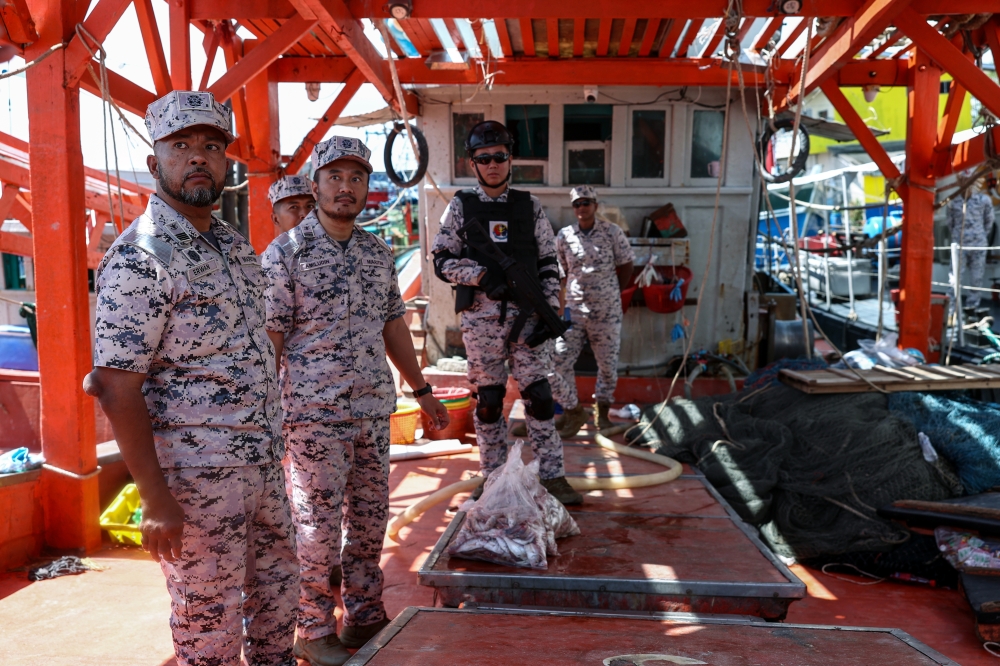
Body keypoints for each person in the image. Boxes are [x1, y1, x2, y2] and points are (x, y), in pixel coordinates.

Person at [84, 91, 298, 666]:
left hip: (262, 464)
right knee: (210, 624)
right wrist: (154, 497)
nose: (198, 157)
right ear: (155, 164)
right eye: (181, 146)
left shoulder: (233, 247)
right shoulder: (139, 259)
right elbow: (115, 384)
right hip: (196, 480)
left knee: (280, 602)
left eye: (210, 146)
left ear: (226, 163)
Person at [262, 136, 449, 666]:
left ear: (368, 187)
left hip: (371, 410)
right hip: (312, 416)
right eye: (335, 177)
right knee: (316, 529)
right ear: (316, 184)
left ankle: (363, 616)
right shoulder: (285, 254)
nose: (346, 188)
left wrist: (423, 390)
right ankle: (312, 626)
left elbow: (392, 324)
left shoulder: (376, 252)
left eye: (356, 178)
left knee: (369, 523)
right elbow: (269, 338)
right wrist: (264, 412)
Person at [431, 120, 582, 506]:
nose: (493, 164)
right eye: (484, 158)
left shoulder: (529, 206)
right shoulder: (461, 207)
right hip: (481, 319)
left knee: (540, 396)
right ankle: (494, 476)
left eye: (499, 156)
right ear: (473, 164)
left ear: (510, 158)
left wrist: (549, 303)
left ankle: (553, 476)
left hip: (529, 317)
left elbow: (549, 261)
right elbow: (442, 260)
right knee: (489, 401)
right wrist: (480, 276)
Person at [545, 186, 635, 438]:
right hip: (574, 310)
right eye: (577, 204)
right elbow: (559, 272)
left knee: (607, 366)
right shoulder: (564, 235)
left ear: (595, 205)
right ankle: (572, 412)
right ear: (573, 208)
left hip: (607, 312)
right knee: (558, 362)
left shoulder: (611, 232)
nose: (582, 207)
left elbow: (627, 263)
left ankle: (602, 416)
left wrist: (614, 291)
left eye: (587, 202)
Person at [947, 175, 995, 316]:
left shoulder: (984, 200)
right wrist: (959, 236)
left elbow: (989, 221)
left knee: (976, 278)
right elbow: (950, 223)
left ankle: (971, 308)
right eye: (963, 180)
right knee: (954, 278)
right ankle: (951, 311)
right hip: (959, 244)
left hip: (978, 245)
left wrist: (979, 236)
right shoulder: (952, 202)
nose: (966, 183)